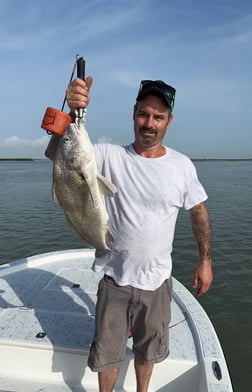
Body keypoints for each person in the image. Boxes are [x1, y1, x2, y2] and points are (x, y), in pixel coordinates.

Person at [45, 76, 213, 392]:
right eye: (143, 114)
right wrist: (71, 111)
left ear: (169, 121)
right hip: (115, 279)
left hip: (157, 282)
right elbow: (59, 155)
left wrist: (205, 261)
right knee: (107, 354)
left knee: (148, 351)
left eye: (158, 117)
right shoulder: (108, 155)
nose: (149, 123)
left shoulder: (182, 166)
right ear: (134, 112)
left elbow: (199, 214)